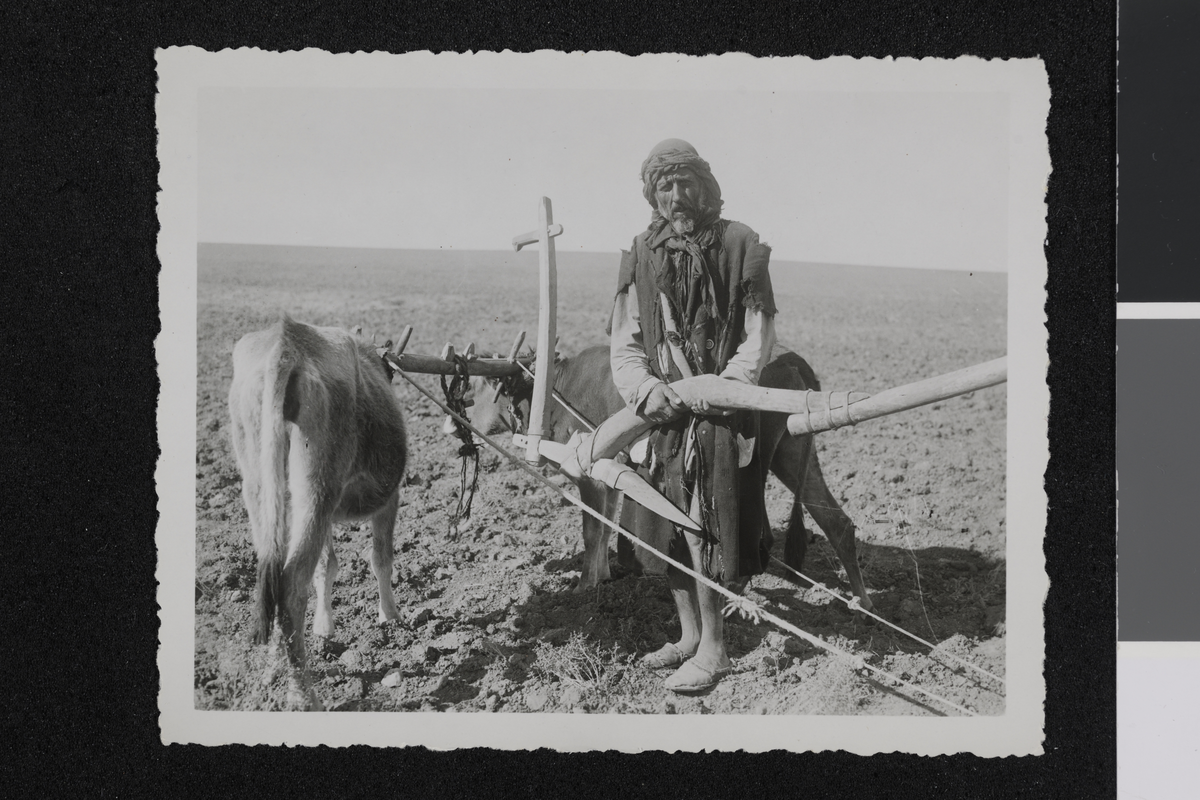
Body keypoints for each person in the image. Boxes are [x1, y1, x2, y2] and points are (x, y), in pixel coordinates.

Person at [609, 138, 777, 692]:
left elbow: (757, 337)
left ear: (705, 188)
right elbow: (626, 342)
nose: (676, 196)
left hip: (721, 408)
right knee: (664, 521)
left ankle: (715, 649)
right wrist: (643, 390)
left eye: (686, 184)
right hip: (663, 408)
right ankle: (686, 635)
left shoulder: (739, 243)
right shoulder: (640, 250)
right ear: (651, 194)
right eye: (665, 186)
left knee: (704, 523)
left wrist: (722, 388)